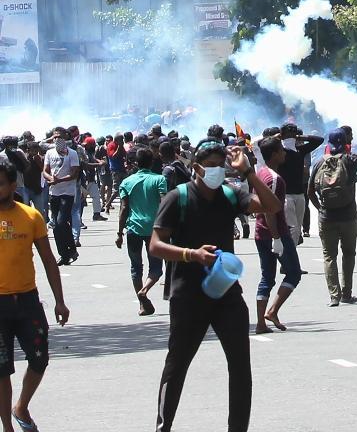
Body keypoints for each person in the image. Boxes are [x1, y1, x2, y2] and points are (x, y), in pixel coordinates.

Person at [149, 141, 282, 432]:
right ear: (196, 168)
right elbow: (156, 245)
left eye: (220, 167)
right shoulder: (178, 197)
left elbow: (273, 206)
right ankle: (163, 427)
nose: (216, 172)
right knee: (177, 366)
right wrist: (191, 254)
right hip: (188, 296)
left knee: (240, 368)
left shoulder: (231, 195)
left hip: (226, 294)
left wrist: (248, 172)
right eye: (210, 166)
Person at [0, 155, 69, 432]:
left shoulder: (31, 216)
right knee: (1, 370)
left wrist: (60, 301)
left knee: (40, 358)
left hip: (27, 301)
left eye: (1, 184)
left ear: (13, 185)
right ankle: (7, 426)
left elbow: (49, 260)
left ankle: (21, 406)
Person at [307, 129, 357, 306]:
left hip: (327, 217)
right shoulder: (351, 159)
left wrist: (320, 209)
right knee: (348, 254)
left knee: (329, 256)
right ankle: (347, 293)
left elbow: (310, 192)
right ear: (345, 143)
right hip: (349, 216)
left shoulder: (319, 163)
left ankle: (334, 296)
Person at [252, 137, 301, 334]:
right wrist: (277, 238)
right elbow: (269, 211)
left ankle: (262, 322)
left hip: (263, 233)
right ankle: (271, 312)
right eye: (281, 150)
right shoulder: (273, 179)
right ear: (273, 154)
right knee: (294, 273)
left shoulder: (261, 173)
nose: (284, 153)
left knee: (268, 277)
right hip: (273, 233)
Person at [115, 146, 167, 316]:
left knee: (136, 267)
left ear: (135, 163)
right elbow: (164, 202)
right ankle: (144, 290)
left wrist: (119, 233)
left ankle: (142, 304)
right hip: (154, 229)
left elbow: (123, 209)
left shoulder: (127, 182)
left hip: (133, 229)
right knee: (156, 269)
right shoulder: (159, 179)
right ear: (152, 162)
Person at [277, 124, 322, 246]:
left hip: (299, 194)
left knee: (296, 229)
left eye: (293, 132)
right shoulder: (279, 151)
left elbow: (319, 140)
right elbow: (260, 144)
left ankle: (289, 258)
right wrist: (278, 137)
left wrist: (300, 137)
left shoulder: (300, 151)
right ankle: (288, 258)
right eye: (289, 133)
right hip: (286, 195)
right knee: (292, 228)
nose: (291, 135)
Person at [42, 129, 79, 266]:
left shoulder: (72, 153)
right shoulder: (49, 153)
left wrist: (60, 180)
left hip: (67, 192)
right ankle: (64, 254)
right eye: (55, 137)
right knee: (56, 226)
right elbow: (45, 171)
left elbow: (74, 173)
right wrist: (51, 178)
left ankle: (72, 249)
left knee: (62, 221)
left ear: (66, 138)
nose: (57, 139)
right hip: (54, 192)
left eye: (60, 137)